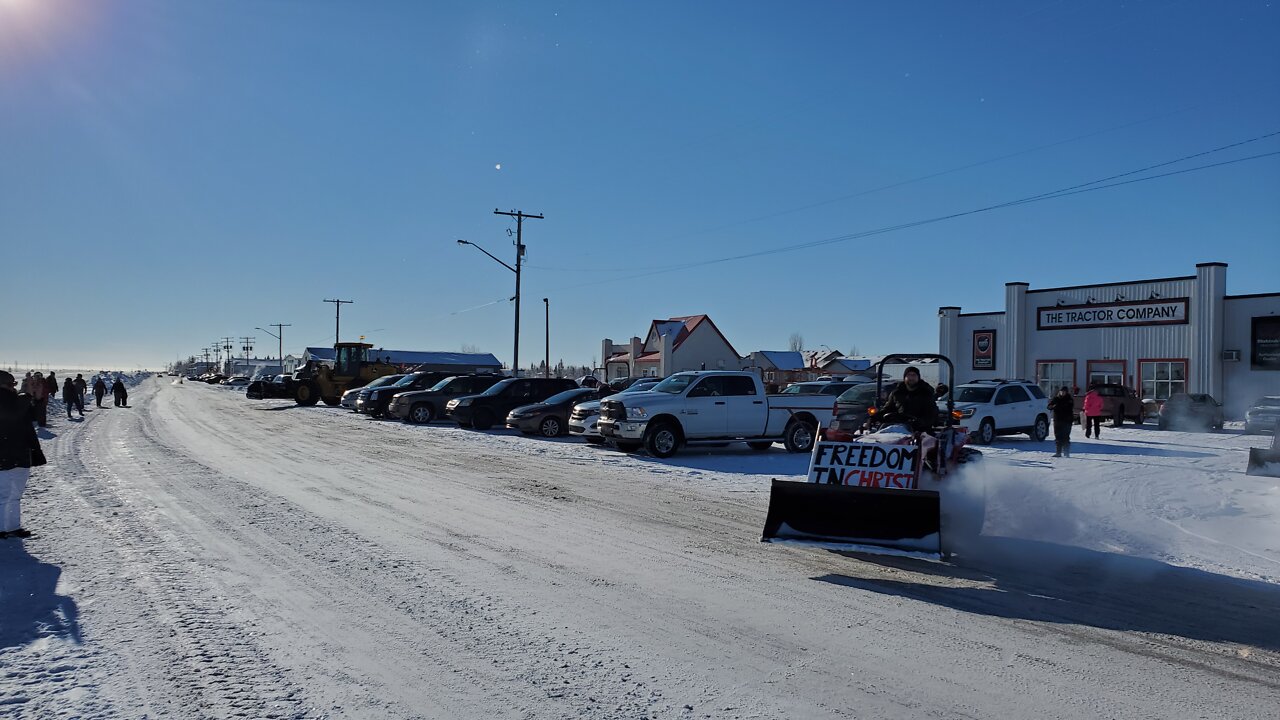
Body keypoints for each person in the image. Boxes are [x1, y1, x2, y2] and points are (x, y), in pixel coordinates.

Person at [0, 370, 45, 539]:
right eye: (9, 384)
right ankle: (2, 528)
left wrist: (38, 398)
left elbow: (33, 416)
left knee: (15, 495)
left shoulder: (15, 400)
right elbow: (12, 414)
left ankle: (12, 527)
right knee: (3, 495)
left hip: (19, 453)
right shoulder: (9, 400)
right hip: (4, 455)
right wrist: (26, 394)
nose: (12, 388)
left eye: (14, 384)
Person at [879, 366, 938, 432]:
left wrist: (921, 422)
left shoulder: (926, 393)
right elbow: (888, 408)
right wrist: (875, 417)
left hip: (919, 429)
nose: (911, 378)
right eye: (909, 375)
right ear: (904, 377)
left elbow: (931, 413)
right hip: (899, 426)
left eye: (914, 375)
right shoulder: (897, 393)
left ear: (918, 377)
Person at [1047, 386, 1075, 457]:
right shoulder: (1056, 398)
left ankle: (1066, 452)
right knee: (1058, 436)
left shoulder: (1069, 399)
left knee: (1066, 436)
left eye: (1064, 392)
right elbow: (1049, 406)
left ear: (1066, 392)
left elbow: (1068, 407)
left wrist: (1058, 406)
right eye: (1061, 391)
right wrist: (1052, 407)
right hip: (1057, 420)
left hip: (1067, 420)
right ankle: (1058, 452)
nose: (1062, 393)